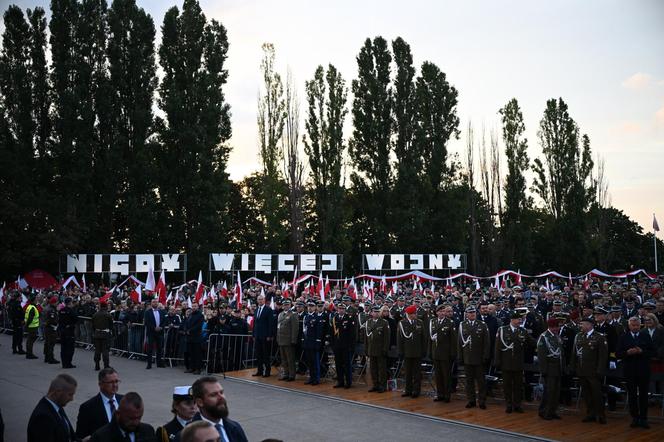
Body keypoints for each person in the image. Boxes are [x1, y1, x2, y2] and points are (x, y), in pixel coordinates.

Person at [175, 376, 247, 442]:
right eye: (213, 395)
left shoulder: (235, 427)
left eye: (221, 392)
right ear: (200, 402)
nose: (221, 397)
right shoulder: (185, 436)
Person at [616, 317, 654, 429]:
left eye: (637, 325)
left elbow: (653, 351)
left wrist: (642, 351)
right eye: (633, 325)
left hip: (643, 370)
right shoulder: (623, 337)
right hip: (630, 371)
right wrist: (627, 352)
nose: (635, 327)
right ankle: (635, 417)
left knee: (643, 395)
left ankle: (644, 418)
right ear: (629, 326)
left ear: (640, 325)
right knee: (632, 395)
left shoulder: (645, 336)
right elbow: (618, 353)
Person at [494, 310, 535, 413]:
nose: (520, 321)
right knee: (507, 386)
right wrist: (497, 361)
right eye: (518, 319)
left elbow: (532, 343)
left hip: (518, 363)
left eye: (520, 319)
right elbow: (497, 347)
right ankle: (508, 404)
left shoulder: (522, 331)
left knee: (518, 385)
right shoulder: (502, 330)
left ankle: (517, 405)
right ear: (512, 320)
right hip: (506, 362)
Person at [572, 317, 608, 424]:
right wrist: (573, 367)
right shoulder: (579, 336)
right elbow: (574, 353)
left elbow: (603, 357)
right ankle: (590, 413)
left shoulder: (600, 337)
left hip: (593, 371)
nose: (580, 326)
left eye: (582, 324)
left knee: (597, 394)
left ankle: (601, 415)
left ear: (589, 325)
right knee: (587, 394)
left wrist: (600, 370)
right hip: (582, 370)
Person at [76, 367, 124, 440]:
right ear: (100, 384)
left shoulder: (124, 400)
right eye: (111, 382)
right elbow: (81, 435)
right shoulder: (87, 407)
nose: (115, 385)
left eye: (116, 381)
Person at [27, 373, 78, 442]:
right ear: (58, 392)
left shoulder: (57, 407)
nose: (72, 399)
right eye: (70, 394)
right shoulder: (43, 417)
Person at [458, 306, 490, 409]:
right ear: (466, 314)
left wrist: (485, 356)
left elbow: (486, 342)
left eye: (474, 313)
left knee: (481, 382)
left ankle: (482, 401)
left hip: (479, 358)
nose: (472, 314)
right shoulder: (462, 325)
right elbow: (459, 342)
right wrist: (460, 357)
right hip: (467, 357)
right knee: (469, 381)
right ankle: (471, 400)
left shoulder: (482, 325)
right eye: (470, 313)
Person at [90, 392, 156, 442]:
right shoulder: (100, 437)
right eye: (131, 418)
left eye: (139, 418)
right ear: (118, 414)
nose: (136, 422)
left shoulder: (148, 431)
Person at [397, 304, 427, 398]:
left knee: (417, 373)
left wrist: (424, 350)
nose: (415, 315)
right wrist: (400, 351)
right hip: (407, 352)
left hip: (417, 351)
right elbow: (400, 339)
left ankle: (416, 391)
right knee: (407, 372)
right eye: (413, 313)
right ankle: (408, 390)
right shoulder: (402, 323)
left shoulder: (420, 323)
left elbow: (424, 338)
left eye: (415, 313)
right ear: (409, 314)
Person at [537, 318, 564, 420]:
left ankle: (552, 411)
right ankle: (545, 411)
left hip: (557, 368)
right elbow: (541, 356)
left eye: (557, 327)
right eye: (555, 327)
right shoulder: (544, 337)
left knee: (556, 392)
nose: (557, 329)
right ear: (550, 327)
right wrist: (543, 370)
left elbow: (561, 354)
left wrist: (563, 367)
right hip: (549, 368)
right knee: (549, 391)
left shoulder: (557, 337)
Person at [429, 304, 457, 402]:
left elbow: (453, 340)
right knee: (438, 375)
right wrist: (430, 352)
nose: (441, 313)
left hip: (446, 353)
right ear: (436, 312)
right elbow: (431, 339)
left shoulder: (450, 322)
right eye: (439, 311)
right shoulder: (433, 322)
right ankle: (439, 394)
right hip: (436, 352)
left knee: (446, 375)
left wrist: (453, 353)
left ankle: (447, 395)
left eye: (443, 311)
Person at [331, 302, 358, 389]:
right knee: (338, 364)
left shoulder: (349, 318)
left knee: (347, 365)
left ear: (345, 310)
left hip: (346, 346)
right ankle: (340, 381)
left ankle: (348, 382)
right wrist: (333, 345)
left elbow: (352, 334)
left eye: (342, 309)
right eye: (339, 308)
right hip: (337, 345)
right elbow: (332, 333)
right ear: (337, 309)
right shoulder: (335, 318)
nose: (341, 310)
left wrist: (351, 346)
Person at [366, 305, 390, 393]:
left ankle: (382, 386)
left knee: (381, 369)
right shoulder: (368, 322)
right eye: (374, 311)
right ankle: (375, 385)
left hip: (380, 349)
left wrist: (385, 349)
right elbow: (366, 338)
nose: (375, 313)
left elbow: (387, 338)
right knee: (373, 369)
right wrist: (366, 349)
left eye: (377, 312)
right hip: (371, 349)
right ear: (371, 313)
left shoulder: (384, 322)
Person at [252, 294, 275, 377]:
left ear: (264, 300)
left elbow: (270, 324)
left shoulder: (268, 310)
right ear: (257, 300)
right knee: (258, 354)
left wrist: (269, 335)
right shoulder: (256, 309)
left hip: (265, 336)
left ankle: (267, 371)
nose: (260, 300)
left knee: (266, 355)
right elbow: (255, 323)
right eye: (259, 299)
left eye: (261, 299)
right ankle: (260, 370)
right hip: (257, 336)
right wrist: (253, 335)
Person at [276, 299, 299, 381]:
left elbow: (295, 329)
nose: (286, 306)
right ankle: (286, 373)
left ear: (290, 305)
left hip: (289, 340)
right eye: (284, 305)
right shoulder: (280, 314)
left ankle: (292, 375)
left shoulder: (293, 314)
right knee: (283, 359)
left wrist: (293, 340)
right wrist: (277, 338)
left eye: (287, 304)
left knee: (290, 359)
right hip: (281, 340)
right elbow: (278, 328)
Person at [302, 301, 323, 385]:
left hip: (314, 343)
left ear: (315, 307)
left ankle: (316, 379)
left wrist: (318, 343)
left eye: (312, 306)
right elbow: (304, 330)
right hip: (307, 342)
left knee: (315, 362)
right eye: (308, 306)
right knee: (309, 362)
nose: (310, 308)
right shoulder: (306, 316)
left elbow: (319, 332)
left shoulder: (317, 317)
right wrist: (303, 341)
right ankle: (311, 377)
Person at [145, 297, 167, 369]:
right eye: (154, 302)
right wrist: (154, 328)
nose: (155, 303)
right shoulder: (148, 312)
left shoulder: (161, 311)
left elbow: (164, 321)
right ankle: (149, 364)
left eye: (156, 302)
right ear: (151, 303)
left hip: (160, 332)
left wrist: (161, 327)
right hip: (151, 332)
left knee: (159, 348)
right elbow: (147, 322)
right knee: (150, 348)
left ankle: (159, 363)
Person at [92, 301, 114, 371]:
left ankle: (97, 365)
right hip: (105, 334)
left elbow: (93, 325)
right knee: (105, 351)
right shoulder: (108, 315)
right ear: (106, 306)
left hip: (97, 333)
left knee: (97, 350)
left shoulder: (95, 314)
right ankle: (106, 365)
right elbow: (111, 325)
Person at [184, 302, 205, 375]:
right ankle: (191, 368)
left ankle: (198, 369)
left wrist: (190, 331)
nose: (193, 307)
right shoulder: (190, 315)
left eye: (195, 306)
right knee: (191, 353)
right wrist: (186, 330)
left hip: (197, 337)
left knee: (197, 354)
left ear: (198, 307)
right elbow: (186, 323)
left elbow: (198, 325)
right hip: (189, 338)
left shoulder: (200, 315)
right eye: (192, 306)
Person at [58, 297, 78, 368]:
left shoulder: (61, 311)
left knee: (63, 348)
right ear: (70, 303)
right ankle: (68, 363)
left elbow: (59, 320)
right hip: (69, 332)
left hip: (62, 331)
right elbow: (76, 319)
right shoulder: (71, 311)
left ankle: (64, 363)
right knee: (70, 348)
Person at [43, 296, 60, 364]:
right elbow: (52, 320)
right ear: (53, 302)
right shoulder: (51, 310)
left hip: (47, 327)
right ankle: (50, 358)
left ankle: (47, 357)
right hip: (51, 328)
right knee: (51, 343)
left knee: (47, 343)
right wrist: (56, 322)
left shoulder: (48, 308)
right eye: (56, 302)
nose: (57, 303)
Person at [24, 294, 40, 359]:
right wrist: (26, 326)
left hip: (31, 326)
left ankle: (29, 353)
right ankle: (29, 354)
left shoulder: (29, 306)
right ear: (33, 300)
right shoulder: (33, 308)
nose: (37, 300)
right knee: (30, 341)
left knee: (29, 340)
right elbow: (30, 318)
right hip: (32, 327)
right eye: (36, 299)